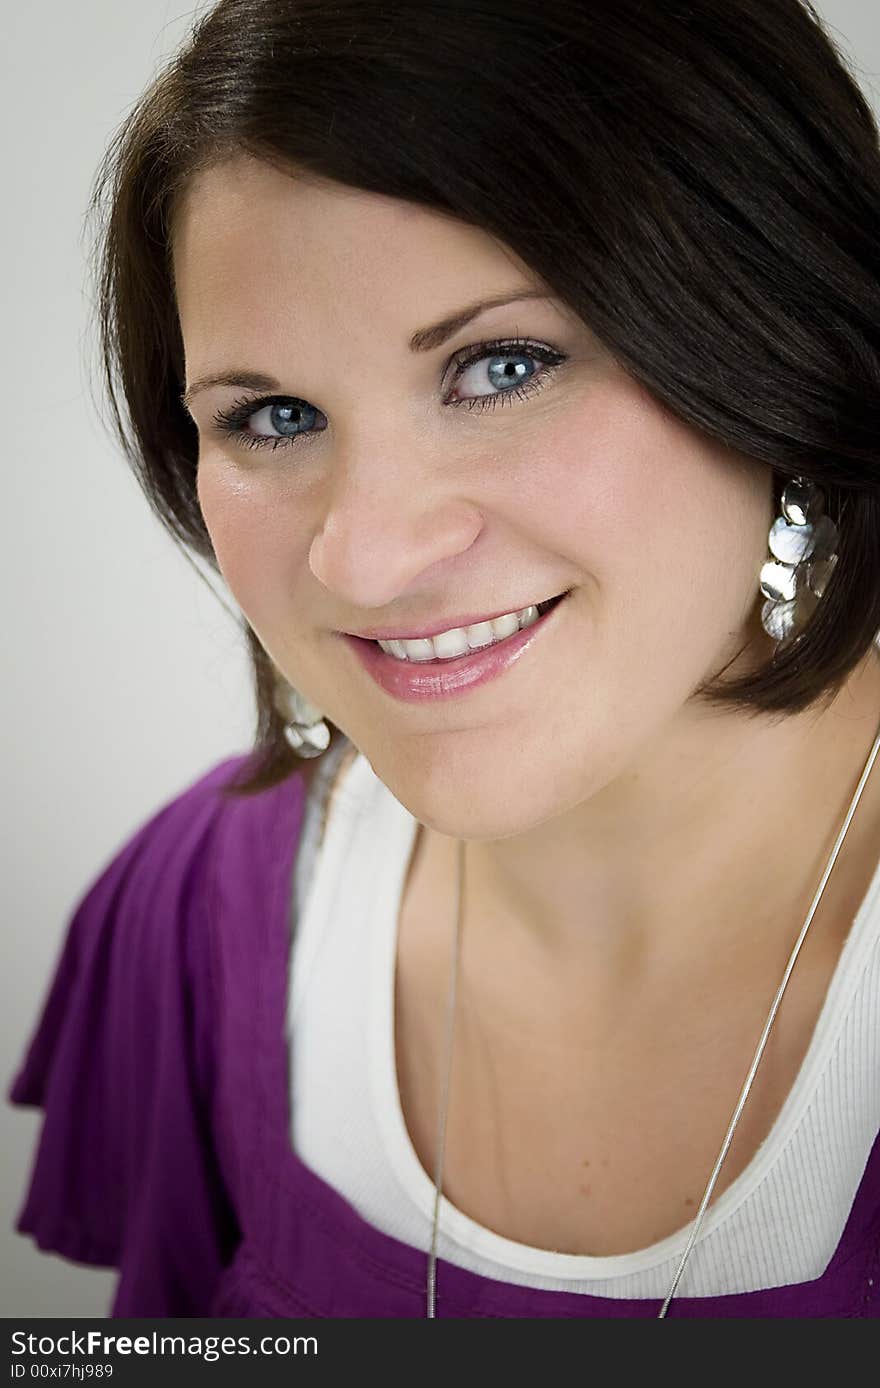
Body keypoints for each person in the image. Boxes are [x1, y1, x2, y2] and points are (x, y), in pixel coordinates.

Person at [8, 0, 880, 1318]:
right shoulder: (196, 919)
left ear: (781, 339)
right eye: (275, 415)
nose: (363, 560)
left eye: (503, 364)